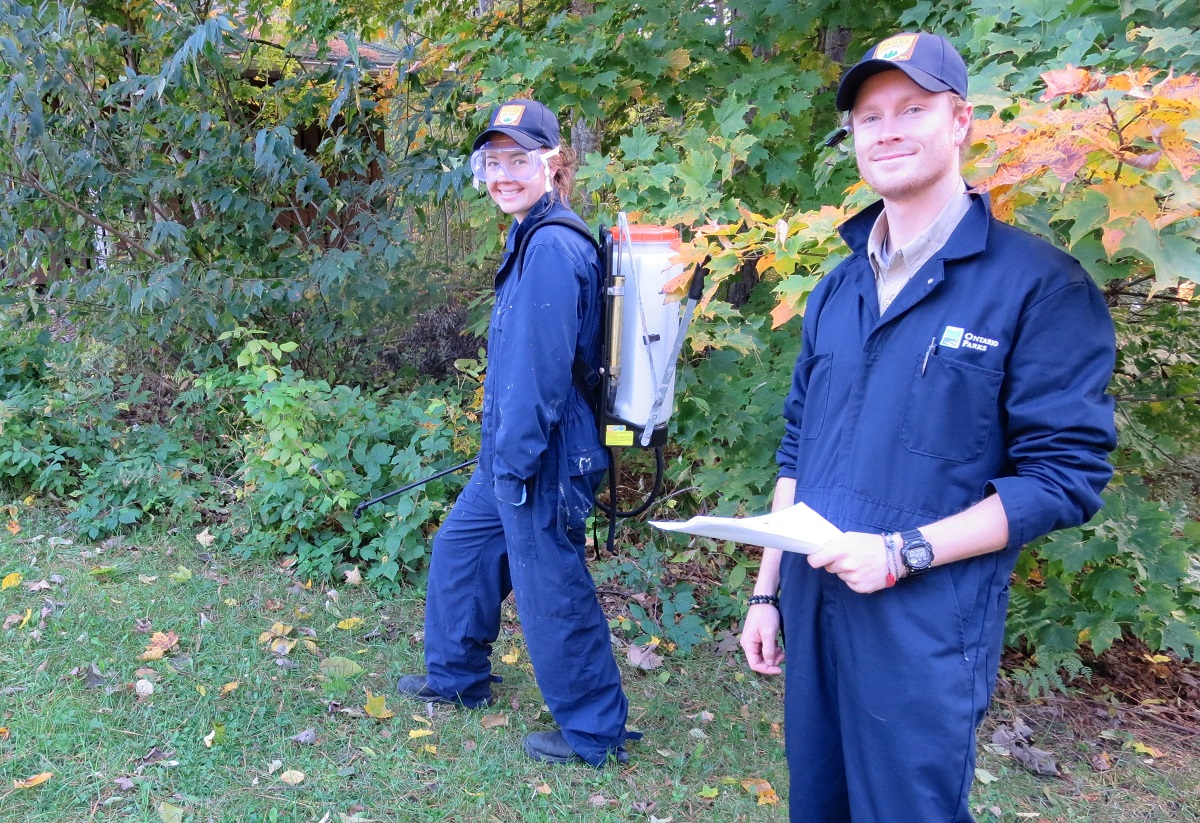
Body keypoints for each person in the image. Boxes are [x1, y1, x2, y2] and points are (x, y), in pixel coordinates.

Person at [738, 32, 1117, 822]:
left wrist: (902, 553)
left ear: (961, 122)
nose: (889, 131)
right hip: (813, 598)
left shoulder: (1037, 285)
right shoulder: (837, 289)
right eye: (869, 118)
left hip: (923, 620)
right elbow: (800, 445)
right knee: (819, 805)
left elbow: (1063, 479)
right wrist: (766, 590)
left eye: (913, 108)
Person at [397, 98, 633, 767]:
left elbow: (539, 374)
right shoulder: (530, 232)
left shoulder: (555, 246)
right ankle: (457, 676)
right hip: (512, 450)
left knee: (551, 587)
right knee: (462, 551)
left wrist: (518, 463)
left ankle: (594, 730)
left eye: (517, 159)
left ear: (551, 163)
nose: (502, 173)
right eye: (492, 161)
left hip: (541, 456)